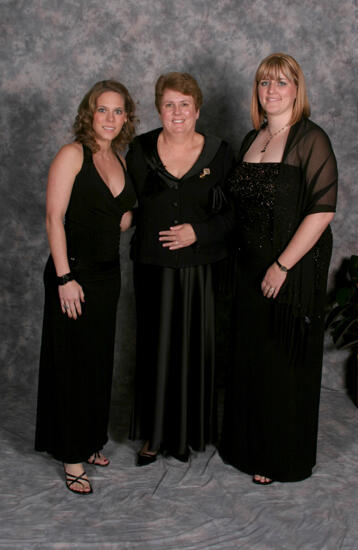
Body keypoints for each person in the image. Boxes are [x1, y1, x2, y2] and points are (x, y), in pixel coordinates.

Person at [219, 53, 338, 484]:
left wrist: (282, 265)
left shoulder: (310, 138)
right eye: (265, 83)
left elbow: (322, 211)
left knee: (281, 362)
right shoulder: (253, 137)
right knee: (253, 357)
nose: (272, 91)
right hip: (248, 266)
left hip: (289, 267)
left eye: (281, 83)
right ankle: (246, 445)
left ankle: (276, 455)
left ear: (296, 89)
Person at [35, 80, 137, 494]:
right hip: (72, 274)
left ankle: (91, 439)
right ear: (88, 113)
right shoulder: (72, 154)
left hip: (107, 275)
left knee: (97, 362)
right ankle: (71, 452)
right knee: (71, 365)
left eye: (118, 111)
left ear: (126, 117)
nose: (110, 118)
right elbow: (53, 218)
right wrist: (64, 278)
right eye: (103, 110)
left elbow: (121, 218)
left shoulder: (120, 159)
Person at [127, 72, 234, 465]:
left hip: (201, 269)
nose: (177, 112)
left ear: (197, 109)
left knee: (194, 351)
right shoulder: (138, 151)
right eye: (169, 104)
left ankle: (187, 436)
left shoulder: (221, 153)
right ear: (159, 108)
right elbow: (126, 205)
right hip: (152, 266)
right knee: (155, 349)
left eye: (184, 105)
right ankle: (153, 437)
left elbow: (234, 215)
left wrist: (199, 233)